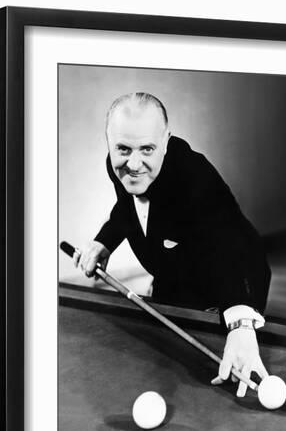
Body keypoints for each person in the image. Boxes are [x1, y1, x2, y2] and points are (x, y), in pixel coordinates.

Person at [74, 92, 271, 397]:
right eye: (123, 149)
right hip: (172, 277)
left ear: (166, 142)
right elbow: (127, 205)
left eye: (147, 149)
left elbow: (231, 242)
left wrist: (241, 322)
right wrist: (104, 242)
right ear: (110, 141)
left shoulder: (195, 176)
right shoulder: (120, 166)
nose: (134, 164)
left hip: (226, 283)